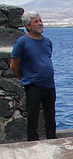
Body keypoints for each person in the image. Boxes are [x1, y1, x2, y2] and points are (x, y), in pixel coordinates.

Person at [10, 12, 57, 141]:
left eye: (40, 20)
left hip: (49, 84)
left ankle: (52, 138)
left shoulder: (47, 41)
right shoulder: (22, 42)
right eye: (36, 21)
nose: (40, 23)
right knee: (33, 115)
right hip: (33, 85)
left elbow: (46, 58)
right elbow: (14, 65)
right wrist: (24, 78)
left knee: (50, 114)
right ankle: (32, 141)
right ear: (28, 26)